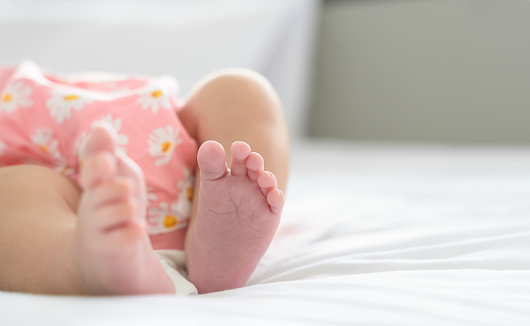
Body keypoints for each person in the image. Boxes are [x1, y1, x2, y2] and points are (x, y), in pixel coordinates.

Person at [0, 61, 289, 295]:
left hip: (185, 152)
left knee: (238, 89)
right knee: (12, 194)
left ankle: (217, 248)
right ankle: (90, 258)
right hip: (54, 191)